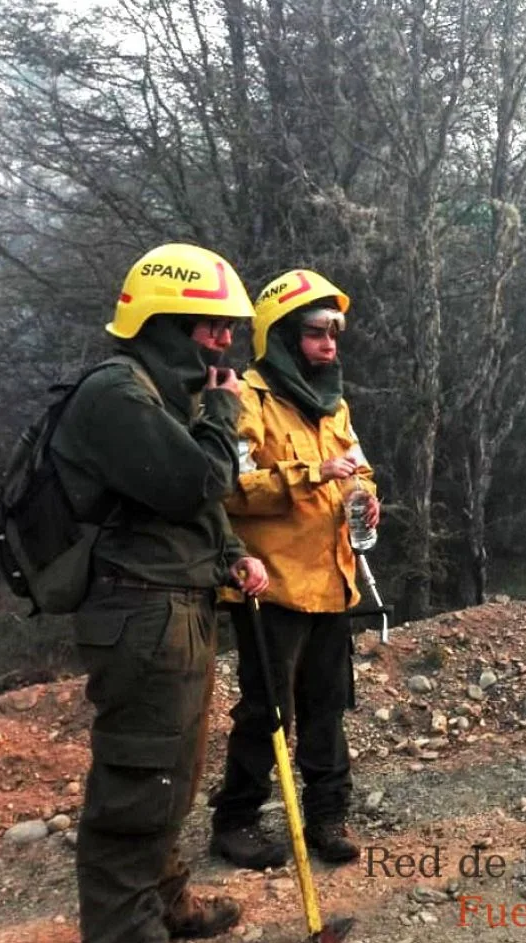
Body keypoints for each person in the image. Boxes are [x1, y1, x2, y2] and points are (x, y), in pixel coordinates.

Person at [49, 242, 269, 943]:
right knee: (136, 784)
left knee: (172, 773)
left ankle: (168, 900)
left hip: (179, 607)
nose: (227, 342)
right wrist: (221, 414)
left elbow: (195, 510)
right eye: (214, 328)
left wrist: (232, 555)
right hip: (140, 614)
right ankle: (124, 934)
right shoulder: (117, 393)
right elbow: (193, 483)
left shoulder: (164, 396)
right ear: (167, 322)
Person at [207, 269, 379, 870]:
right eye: (314, 333)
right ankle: (235, 823)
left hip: (333, 583)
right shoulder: (245, 400)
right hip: (272, 587)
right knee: (267, 710)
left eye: (334, 333)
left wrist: (367, 493)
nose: (329, 345)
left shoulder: (333, 406)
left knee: (328, 705)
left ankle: (328, 816)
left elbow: (358, 468)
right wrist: (310, 475)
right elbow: (227, 487)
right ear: (280, 335)